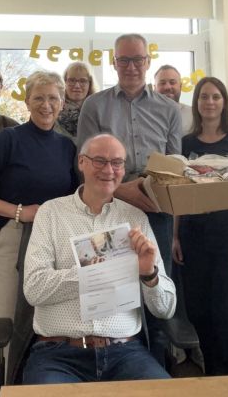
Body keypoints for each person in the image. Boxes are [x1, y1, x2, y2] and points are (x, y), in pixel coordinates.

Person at [22, 133, 175, 384]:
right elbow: (34, 289)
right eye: (100, 161)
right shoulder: (50, 213)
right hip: (58, 355)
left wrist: (150, 275)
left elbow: (166, 308)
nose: (109, 170)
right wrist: (94, 274)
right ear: (81, 162)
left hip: (125, 353)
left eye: (117, 163)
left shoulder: (136, 219)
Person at [77, 33, 181, 366]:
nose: (131, 67)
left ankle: (154, 368)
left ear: (148, 61)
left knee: (155, 288)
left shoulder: (170, 109)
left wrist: (150, 193)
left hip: (156, 210)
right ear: (114, 62)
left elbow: (175, 167)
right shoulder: (94, 105)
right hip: (106, 210)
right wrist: (122, 190)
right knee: (110, 290)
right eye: (124, 60)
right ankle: (112, 367)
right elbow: (85, 163)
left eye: (137, 59)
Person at [0, 70, 78, 325]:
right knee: (7, 320)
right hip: (12, 235)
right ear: (27, 102)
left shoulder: (67, 146)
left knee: (47, 320)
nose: (46, 105)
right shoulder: (9, 139)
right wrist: (19, 212)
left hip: (54, 239)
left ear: (62, 103)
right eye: (38, 98)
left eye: (53, 98)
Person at [173, 77, 228, 375]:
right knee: (199, 313)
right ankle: (213, 378)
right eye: (203, 97)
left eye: (215, 97)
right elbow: (178, 192)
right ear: (196, 103)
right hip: (193, 239)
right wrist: (174, 236)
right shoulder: (185, 144)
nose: (209, 102)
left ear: (224, 103)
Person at [57, 62, 96, 137]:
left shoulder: (97, 111)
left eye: (82, 81)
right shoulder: (54, 109)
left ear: (90, 84)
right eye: (72, 80)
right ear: (64, 82)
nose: (77, 85)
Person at [154, 65, 193, 134]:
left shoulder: (193, 115)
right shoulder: (144, 116)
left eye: (172, 82)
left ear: (180, 86)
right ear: (154, 88)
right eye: (162, 83)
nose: (167, 87)